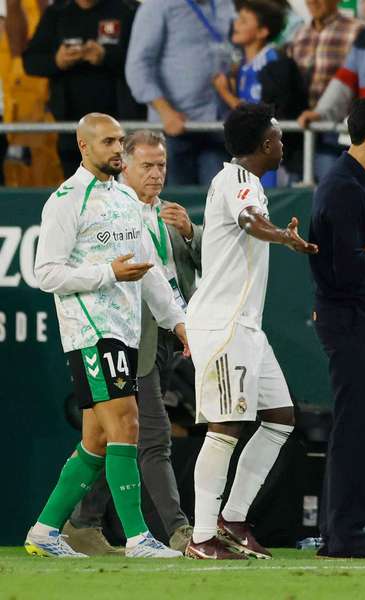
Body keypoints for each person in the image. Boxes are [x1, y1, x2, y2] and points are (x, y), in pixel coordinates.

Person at [25, 113, 188, 559]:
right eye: (109, 142)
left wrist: (179, 322)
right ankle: (138, 538)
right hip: (91, 330)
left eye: (120, 141)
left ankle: (44, 531)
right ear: (84, 146)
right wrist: (107, 273)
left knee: (97, 439)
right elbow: (46, 273)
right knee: (128, 423)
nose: (118, 149)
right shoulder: (66, 201)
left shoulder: (126, 199)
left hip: (125, 331)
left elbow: (150, 270)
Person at [184, 103, 319, 560]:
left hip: (245, 328)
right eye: (279, 138)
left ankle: (233, 518)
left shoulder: (241, 181)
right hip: (223, 325)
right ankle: (201, 535)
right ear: (265, 144)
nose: (283, 145)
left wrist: (277, 234)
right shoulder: (241, 181)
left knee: (280, 417)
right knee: (225, 426)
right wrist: (281, 235)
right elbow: (249, 221)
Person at [64, 130, 201, 555]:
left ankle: (78, 522)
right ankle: (178, 530)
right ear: (125, 164)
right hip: (123, 335)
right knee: (152, 434)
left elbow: (181, 276)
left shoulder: (170, 216)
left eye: (162, 165)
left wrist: (193, 235)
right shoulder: (111, 213)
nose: (157, 174)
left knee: (109, 437)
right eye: (148, 165)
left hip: (166, 337)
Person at [307, 95, 365, 560]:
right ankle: (345, 535)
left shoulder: (351, 183)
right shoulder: (345, 187)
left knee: (353, 425)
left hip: (349, 316)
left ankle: (338, 532)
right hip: (348, 319)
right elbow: (346, 269)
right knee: (354, 427)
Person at [21, 0, 144, 177]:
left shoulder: (129, 9)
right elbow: (30, 62)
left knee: (124, 194)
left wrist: (106, 57)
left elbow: (146, 62)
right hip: (72, 130)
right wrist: (57, 61)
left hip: (123, 126)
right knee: (79, 195)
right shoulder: (57, 12)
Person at [125, 0, 235, 186]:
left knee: (218, 204)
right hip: (174, 128)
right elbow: (138, 66)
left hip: (217, 126)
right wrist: (164, 110)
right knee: (178, 206)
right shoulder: (157, 6)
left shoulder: (226, 5)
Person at [213, 0, 287, 187]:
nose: (236, 25)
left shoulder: (271, 61)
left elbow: (259, 115)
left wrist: (224, 93)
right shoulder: (243, 64)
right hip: (250, 152)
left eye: (244, 21)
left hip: (264, 151)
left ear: (262, 31)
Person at [290, 0, 364, 180]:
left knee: (334, 193)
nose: (313, 2)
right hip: (302, 129)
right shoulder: (299, 35)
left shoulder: (356, 30)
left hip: (339, 131)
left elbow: (360, 80)